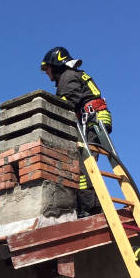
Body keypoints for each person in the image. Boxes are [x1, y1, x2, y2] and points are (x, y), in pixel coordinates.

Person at [40, 46, 112, 217]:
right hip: (97, 121)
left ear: (55, 65)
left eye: (47, 68)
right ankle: (93, 205)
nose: (46, 73)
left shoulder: (67, 76)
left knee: (83, 166)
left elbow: (68, 102)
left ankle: (89, 208)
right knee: (87, 164)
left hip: (93, 122)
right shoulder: (74, 74)